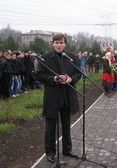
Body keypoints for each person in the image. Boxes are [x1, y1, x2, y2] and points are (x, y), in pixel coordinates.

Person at [36, 34, 81, 163]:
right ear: (52, 44)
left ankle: (67, 149)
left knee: (66, 125)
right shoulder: (45, 58)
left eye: (61, 42)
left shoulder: (71, 57)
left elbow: (78, 73)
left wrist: (71, 79)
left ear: (65, 44)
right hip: (52, 97)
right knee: (50, 127)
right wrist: (54, 79)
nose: (58, 45)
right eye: (56, 42)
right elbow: (39, 75)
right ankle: (50, 152)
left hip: (67, 96)